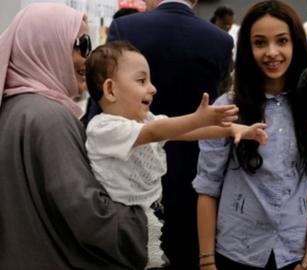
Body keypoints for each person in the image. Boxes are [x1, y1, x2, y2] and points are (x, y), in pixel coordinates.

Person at [84, 41, 268, 269]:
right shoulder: (104, 127)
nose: (152, 88)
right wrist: (198, 117)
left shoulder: (145, 121)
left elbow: (188, 131)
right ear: (111, 90)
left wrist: (232, 130)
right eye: (142, 81)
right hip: (120, 224)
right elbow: (155, 132)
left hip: (147, 216)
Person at [0, 3, 149, 269]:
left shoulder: (13, 107)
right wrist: (141, 219)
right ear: (46, 45)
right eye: (81, 44)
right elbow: (86, 212)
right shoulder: (50, 118)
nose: (88, 58)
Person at [194, 1, 307, 269]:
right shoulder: (227, 107)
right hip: (236, 252)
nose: (272, 52)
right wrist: (207, 261)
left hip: (294, 252)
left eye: (282, 41)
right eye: (260, 43)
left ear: (296, 44)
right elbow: (208, 186)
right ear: (247, 48)